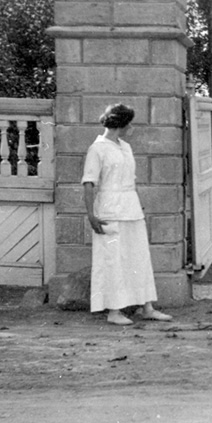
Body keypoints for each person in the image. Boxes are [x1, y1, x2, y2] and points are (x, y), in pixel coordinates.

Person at [82, 103, 172, 325]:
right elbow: (88, 184)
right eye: (129, 123)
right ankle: (114, 311)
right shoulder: (97, 149)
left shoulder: (126, 147)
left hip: (131, 208)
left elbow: (130, 180)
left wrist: (137, 204)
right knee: (113, 261)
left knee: (139, 258)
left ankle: (146, 307)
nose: (131, 127)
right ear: (119, 125)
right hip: (109, 211)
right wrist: (91, 215)